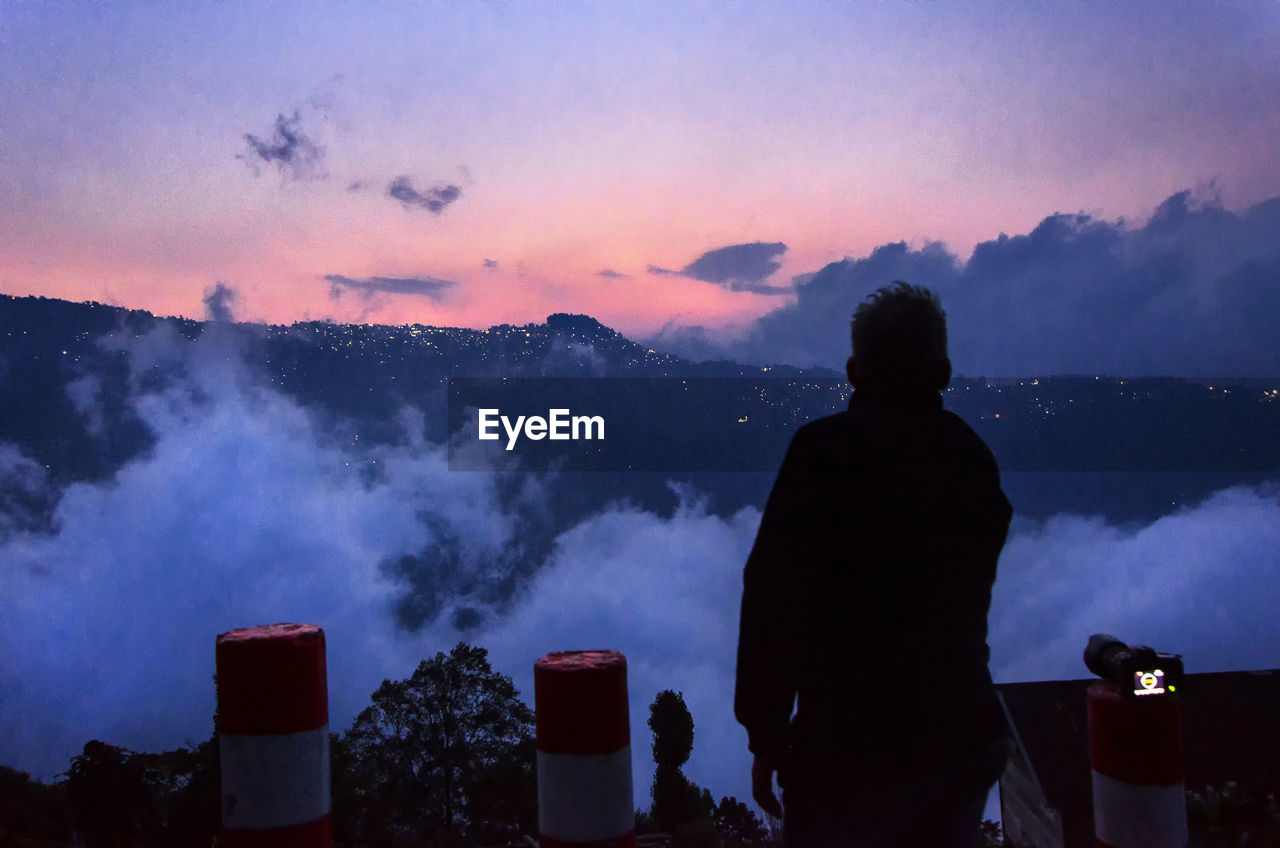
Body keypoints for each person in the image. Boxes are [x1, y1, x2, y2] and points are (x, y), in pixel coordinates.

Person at [734, 281, 1013, 847]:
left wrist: (766, 734)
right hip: (962, 736)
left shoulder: (822, 453)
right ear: (944, 371)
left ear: (854, 369)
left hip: (849, 748)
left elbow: (771, 596)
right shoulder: (972, 459)